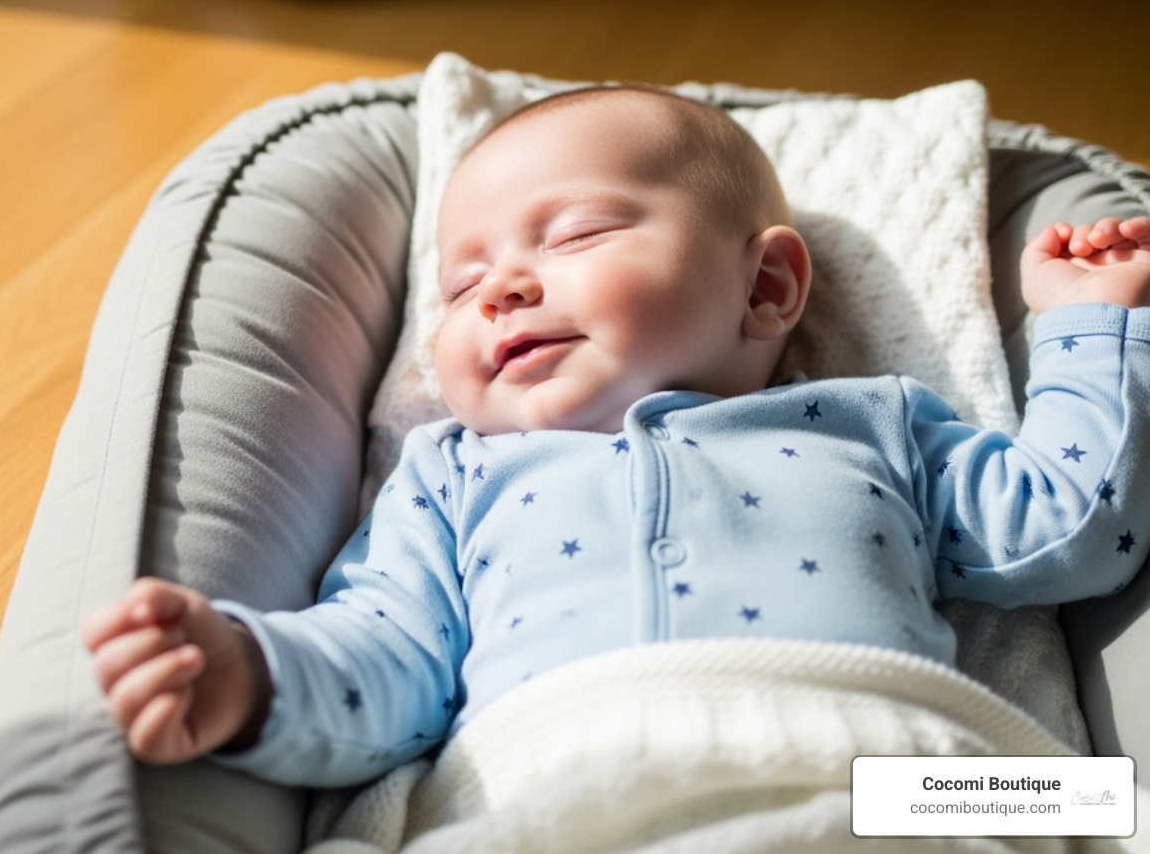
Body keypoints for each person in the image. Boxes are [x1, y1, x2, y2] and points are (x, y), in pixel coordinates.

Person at [82, 87, 1150, 787]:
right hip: (563, 778)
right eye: (459, 285)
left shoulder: (877, 424)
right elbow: (389, 660)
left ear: (768, 285)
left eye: (580, 232)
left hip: (890, 769)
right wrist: (251, 671)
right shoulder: (449, 478)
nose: (499, 285)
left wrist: (1084, 318)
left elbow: (1067, 523)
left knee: (1096, 802)